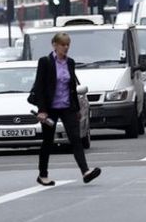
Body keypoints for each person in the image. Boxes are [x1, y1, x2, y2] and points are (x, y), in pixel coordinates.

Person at [34, 32, 101, 186]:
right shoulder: (45, 62)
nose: (65, 47)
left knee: (76, 139)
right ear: (54, 45)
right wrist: (42, 110)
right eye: (62, 45)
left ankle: (86, 172)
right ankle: (42, 175)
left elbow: (72, 87)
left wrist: (77, 109)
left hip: (67, 107)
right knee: (48, 142)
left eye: (67, 45)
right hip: (50, 108)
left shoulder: (70, 62)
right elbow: (40, 87)